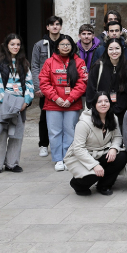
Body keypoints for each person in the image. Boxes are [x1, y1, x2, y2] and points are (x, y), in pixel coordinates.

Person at [0, 34, 34, 175]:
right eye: (12, 44)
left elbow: (30, 83)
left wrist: (26, 101)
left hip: (20, 102)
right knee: (0, 133)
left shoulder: (24, 63)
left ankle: (12, 163)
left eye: (18, 44)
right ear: (6, 45)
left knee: (16, 134)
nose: (15, 47)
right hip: (5, 101)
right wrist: (5, 101)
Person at [64, 93, 127, 195]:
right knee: (93, 175)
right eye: (100, 102)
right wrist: (94, 165)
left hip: (102, 151)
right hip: (82, 155)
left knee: (122, 156)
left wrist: (114, 148)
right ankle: (77, 184)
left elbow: (117, 137)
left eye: (106, 101)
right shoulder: (84, 123)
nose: (103, 104)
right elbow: (78, 149)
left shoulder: (113, 117)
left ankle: (104, 185)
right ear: (94, 104)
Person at [40, 34, 87, 171]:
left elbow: (82, 83)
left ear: (72, 47)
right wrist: (56, 98)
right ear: (57, 46)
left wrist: (70, 99)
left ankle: (67, 157)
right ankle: (58, 159)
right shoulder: (49, 62)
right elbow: (44, 83)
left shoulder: (79, 62)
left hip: (71, 104)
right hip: (53, 104)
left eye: (68, 44)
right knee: (54, 132)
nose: (65, 47)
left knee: (70, 131)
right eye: (62, 44)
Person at [31, 15, 63, 158]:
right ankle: (43, 144)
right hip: (46, 87)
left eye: (57, 24)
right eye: (52, 24)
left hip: (62, 86)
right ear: (47, 27)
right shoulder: (39, 45)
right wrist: (38, 87)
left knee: (63, 116)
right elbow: (35, 66)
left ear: (60, 26)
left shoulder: (65, 41)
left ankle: (62, 143)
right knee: (44, 117)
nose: (55, 26)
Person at [86, 39, 127, 124]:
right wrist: (96, 109)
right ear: (106, 50)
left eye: (117, 48)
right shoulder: (98, 66)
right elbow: (91, 90)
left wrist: (117, 109)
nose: (114, 52)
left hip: (121, 114)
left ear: (121, 50)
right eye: (110, 49)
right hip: (100, 112)